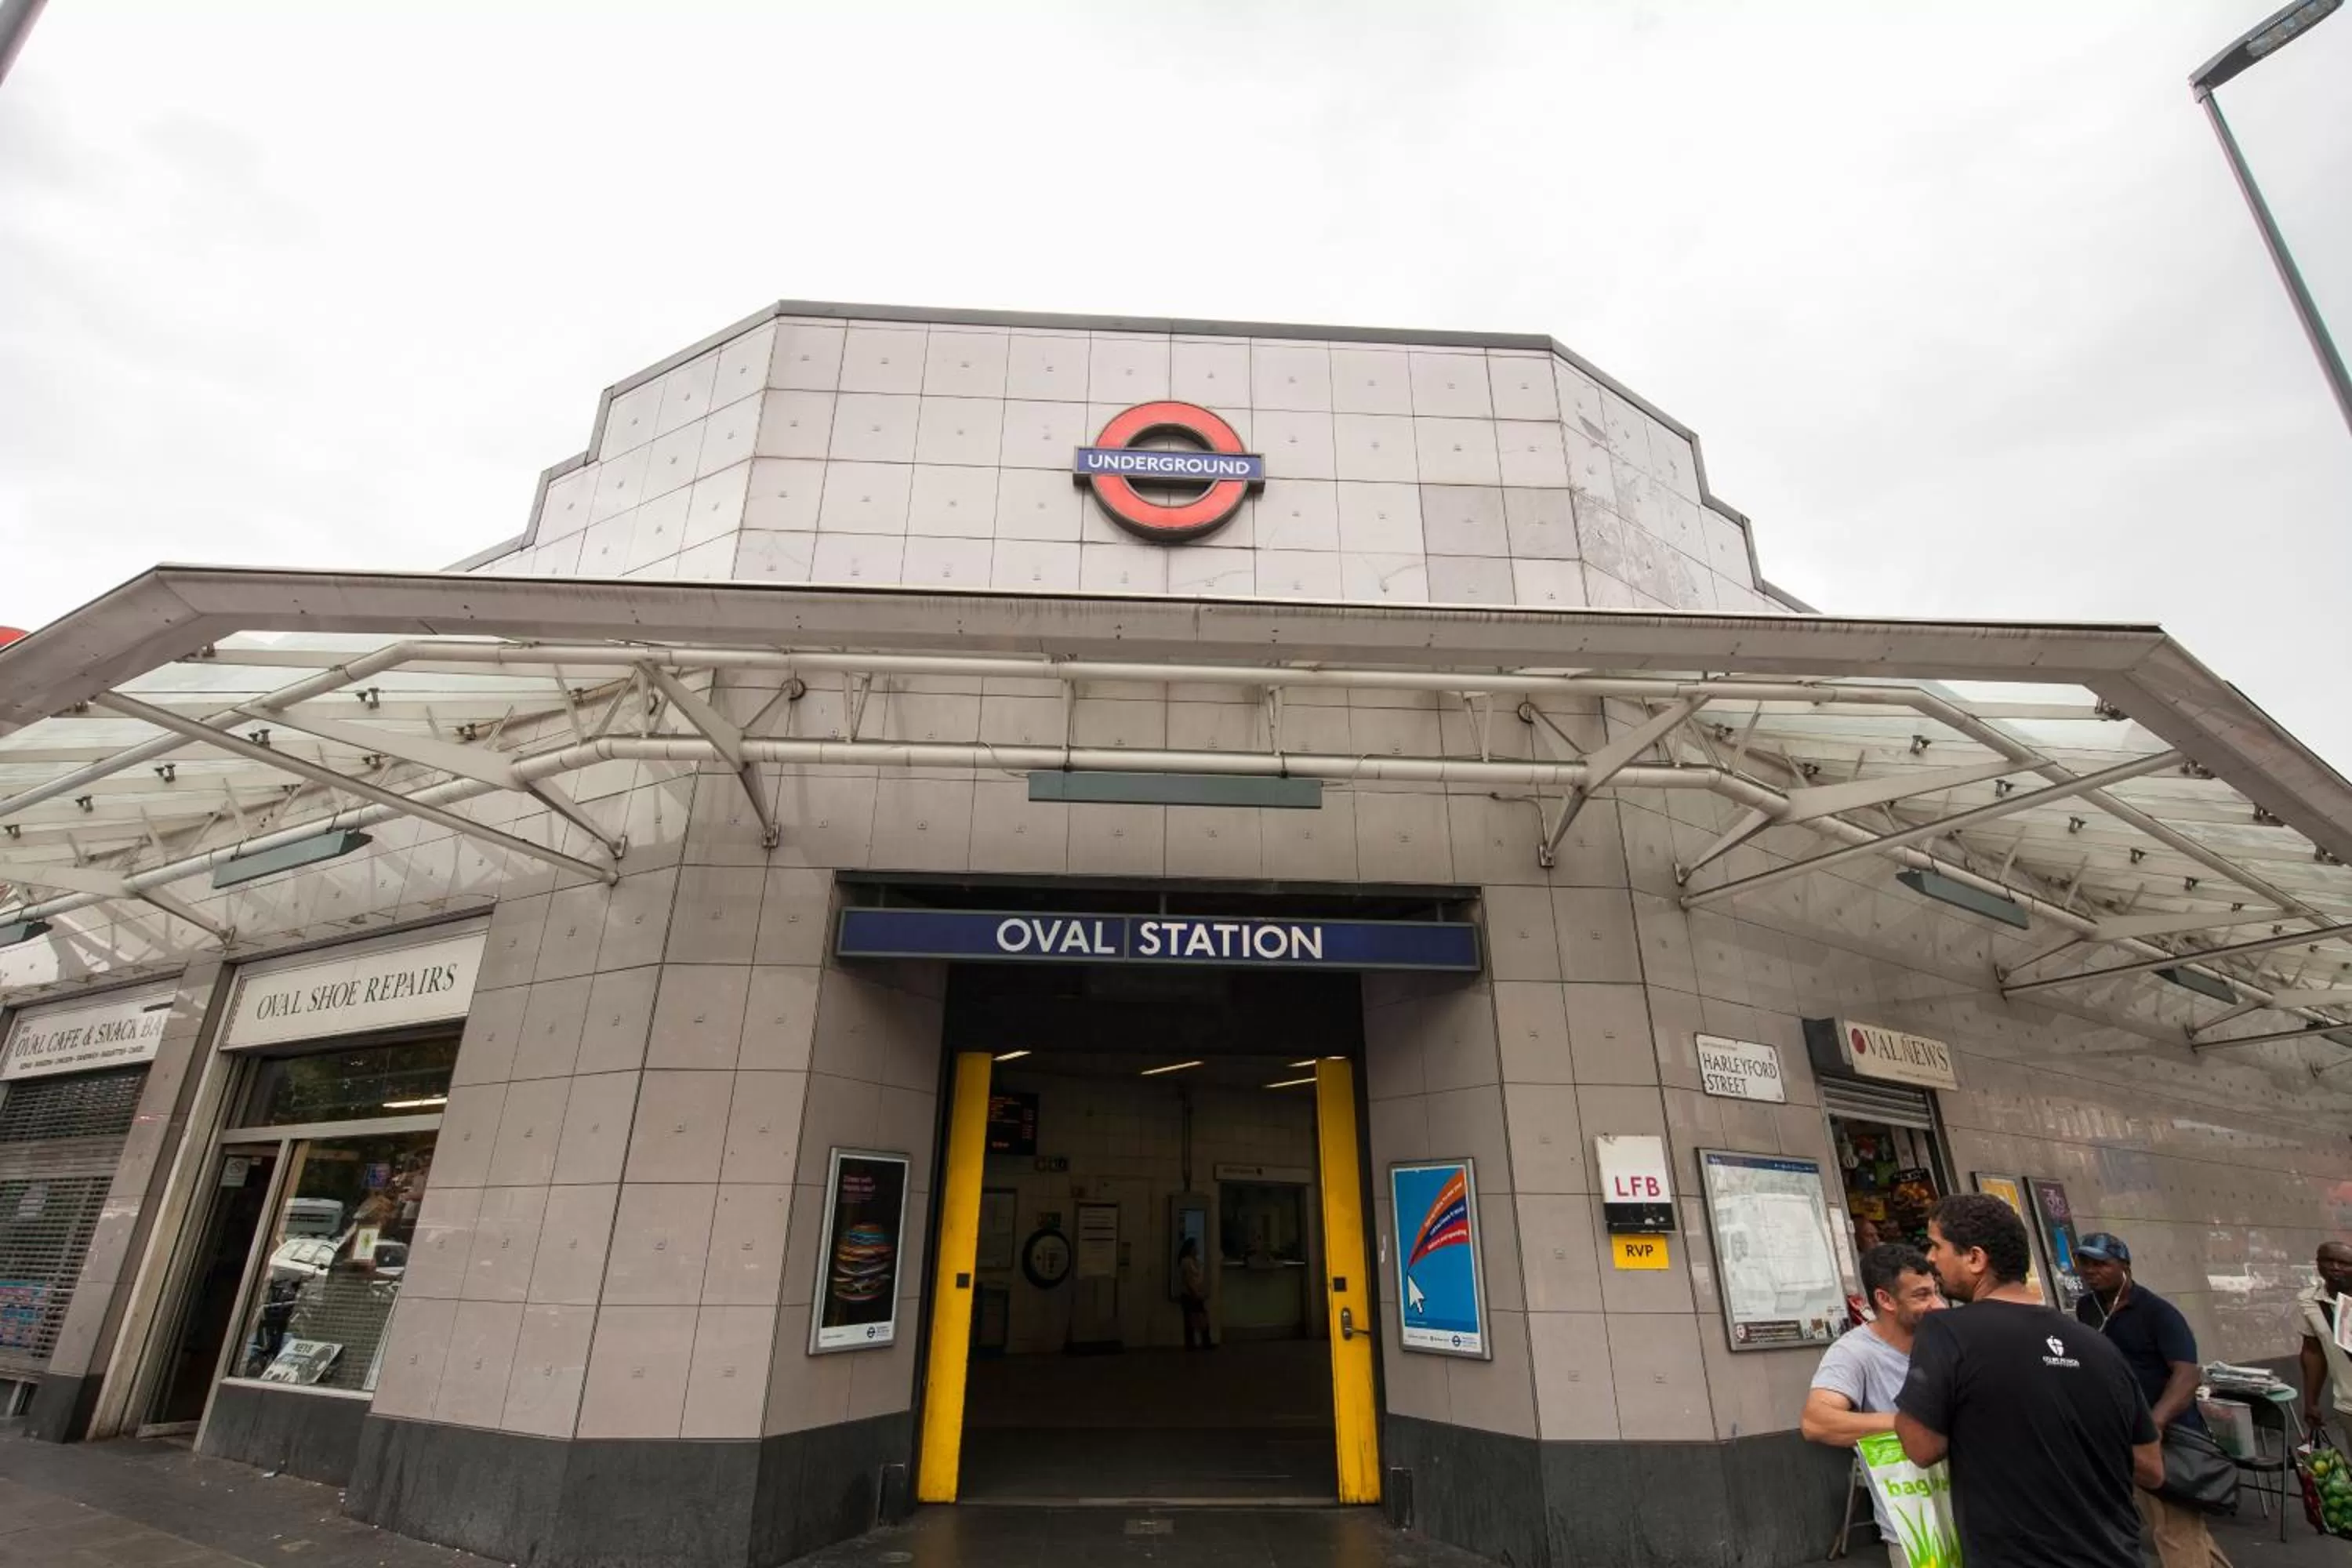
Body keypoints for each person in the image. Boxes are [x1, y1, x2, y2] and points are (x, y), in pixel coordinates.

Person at [1896, 1193, 2164, 1568]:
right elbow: (2150, 1467)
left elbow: (1921, 1446)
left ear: (1975, 1258)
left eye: (1936, 1246)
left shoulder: (1947, 1331)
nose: (1929, 1258)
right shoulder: (2099, 1346)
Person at [2075, 1232, 2232, 1568]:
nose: (2090, 1270)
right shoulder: (2086, 1308)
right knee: (2180, 1529)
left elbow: (2187, 1375)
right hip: (2120, 1433)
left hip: (2168, 1437)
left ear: (2125, 1266)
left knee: (2174, 1530)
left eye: (2100, 1263)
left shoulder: (2157, 1312)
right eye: (2084, 1263)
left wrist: (2154, 1423)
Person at [1802, 1243, 1944, 1568]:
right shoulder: (1854, 1352)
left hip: (1977, 1515)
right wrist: (1907, 1425)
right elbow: (1816, 1422)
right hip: (1915, 1529)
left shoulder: (1946, 1337)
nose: (1937, 1305)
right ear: (1885, 1299)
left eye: (1936, 1292)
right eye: (1922, 1296)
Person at [2298, 1241, 2352, 1445]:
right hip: (2348, 1405)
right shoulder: (2310, 1301)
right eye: (2329, 1260)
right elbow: (2313, 1352)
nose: (2335, 1267)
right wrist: (2311, 1401)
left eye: (2344, 1263)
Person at [1176, 1237, 1210, 1350]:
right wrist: (1196, 1294)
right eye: (1195, 1246)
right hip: (1191, 1294)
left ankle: (1195, 1343)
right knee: (1196, 1318)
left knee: (1194, 1318)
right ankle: (1201, 1342)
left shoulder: (1194, 1262)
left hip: (1193, 1294)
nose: (1197, 1248)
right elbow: (1189, 1280)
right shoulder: (1187, 1262)